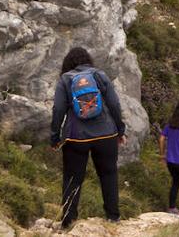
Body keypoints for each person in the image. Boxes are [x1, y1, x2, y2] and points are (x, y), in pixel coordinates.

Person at [50, 47, 126, 228]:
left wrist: (55, 137)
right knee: (108, 174)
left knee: (72, 178)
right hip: (106, 134)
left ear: (68, 63)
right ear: (87, 60)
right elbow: (115, 104)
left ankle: (68, 221)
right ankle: (113, 217)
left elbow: (58, 110)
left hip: (76, 137)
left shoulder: (65, 79)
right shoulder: (99, 75)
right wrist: (120, 130)